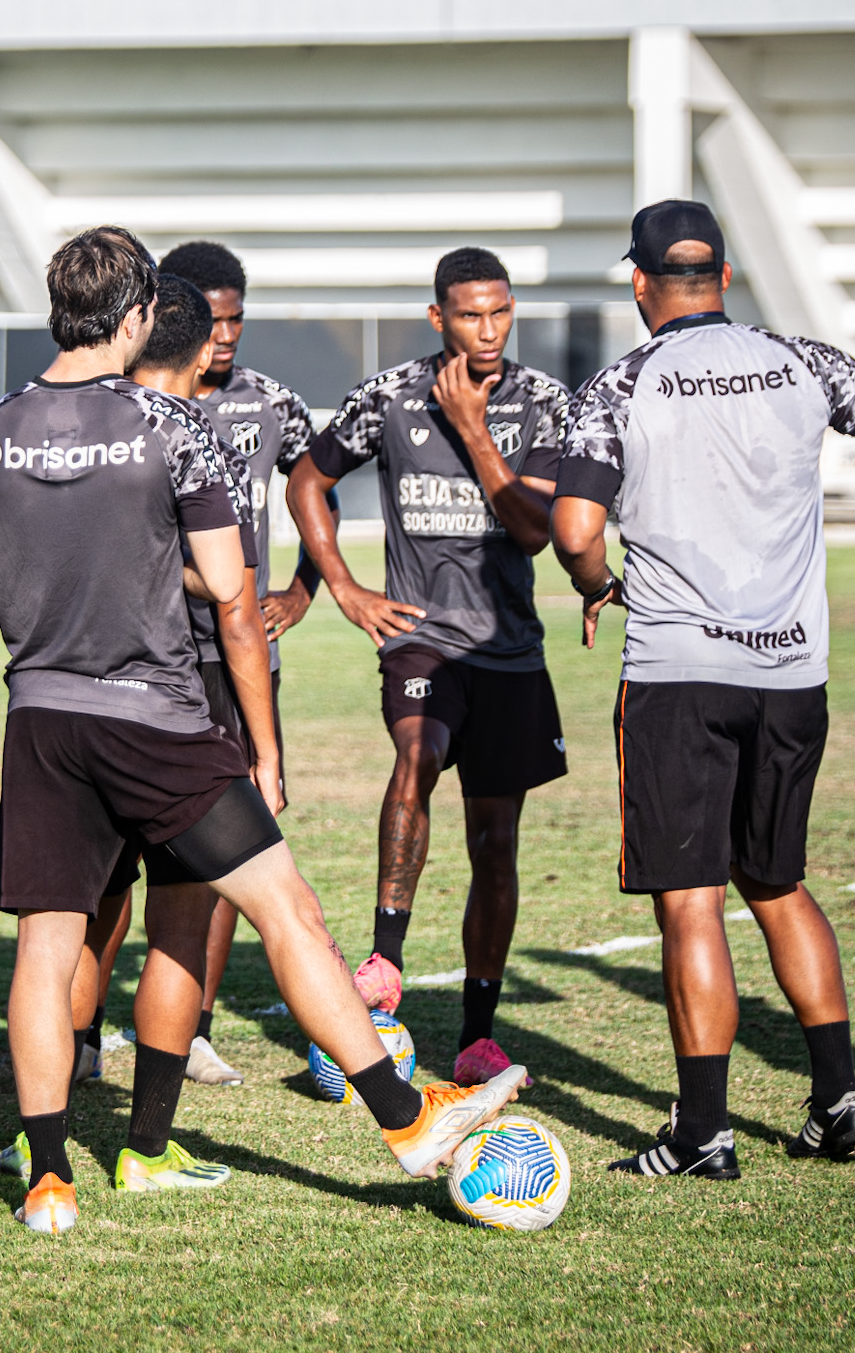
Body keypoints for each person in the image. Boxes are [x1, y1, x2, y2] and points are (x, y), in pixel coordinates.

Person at [0, 227, 523, 1234]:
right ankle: (402, 1115)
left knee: (44, 946)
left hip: (39, 716)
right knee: (283, 907)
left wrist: (54, 579)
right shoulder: (170, 427)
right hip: (156, 716)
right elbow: (222, 579)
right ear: (134, 317)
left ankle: (45, 1177)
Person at [551, 200, 855, 1177]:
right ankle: (841, 1099)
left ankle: (701, 1133)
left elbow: (571, 527)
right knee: (774, 881)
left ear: (640, 284)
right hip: (788, 671)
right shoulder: (795, 360)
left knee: (689, 900)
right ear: (722, 278)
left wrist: (594, 583)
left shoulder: (620, 382)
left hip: (678, 673)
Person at [287, 247, 570, 1085]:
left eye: (501, 312)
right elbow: (308, 479)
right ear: (438, 317)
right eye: (470, 314)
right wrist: (341, 586)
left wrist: (476, 431)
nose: (488, 330)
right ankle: (383, 960)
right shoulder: (391, 396)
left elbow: (534, 529)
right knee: (417, 751)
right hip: (420, 639)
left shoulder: (542, 404)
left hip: (509, 651)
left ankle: (479, 1032)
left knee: (496, 839)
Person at [44, 276, 275, 1153]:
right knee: (191, 911)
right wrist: (268, 745)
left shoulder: (53, 424)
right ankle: (146, 1141)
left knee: (75, 917)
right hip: (186, 696)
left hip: (67, 697)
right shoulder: (182, 433)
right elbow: (234, 601)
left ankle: (50, 1123)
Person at [153, 240, 324, 1086]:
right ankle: (85, 1034)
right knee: (128, 855)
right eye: (210, 321)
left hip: (238, 652)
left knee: (233, 839)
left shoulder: (272, 403)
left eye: (236, 318)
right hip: (153, 648)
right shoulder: (142, 403)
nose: (224, 336)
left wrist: (304, 588)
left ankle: (196, 1029)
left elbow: (316, 483)